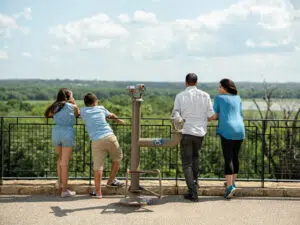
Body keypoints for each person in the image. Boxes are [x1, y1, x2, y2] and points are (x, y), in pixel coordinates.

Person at [172, 73, 214, 202]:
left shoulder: (180, 96)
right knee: (196, 159)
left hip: (186, 131)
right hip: (200, 133)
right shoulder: (205, 95)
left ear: (186, 82)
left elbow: (175, 113)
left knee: (186, 163)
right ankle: (195, 185)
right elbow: (210, 115)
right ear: (196, 82)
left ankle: (193, 191)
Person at [80, 93, 124, 198]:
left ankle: (98, 192)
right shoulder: (101, 108)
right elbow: (111, 115)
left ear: (86, 103)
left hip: (96, 140)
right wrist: (118, 120)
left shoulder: (82, 111)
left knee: (98, 167)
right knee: (117, 158)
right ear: (96, 102)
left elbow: (75, 112)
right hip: (109, 136)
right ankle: (111, 180)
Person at [209, 78, 245, 199]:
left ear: (225, 87)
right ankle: (233, 183)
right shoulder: (238, 98)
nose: (218, 89)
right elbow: (239, 114)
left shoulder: (219, 98)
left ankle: (229, 187)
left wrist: (208, 117)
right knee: (235, 157)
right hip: (240, 130)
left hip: (228, 130)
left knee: (228, 158)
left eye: (219, 86)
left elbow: (213, 115)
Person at [45, 88, 79, 197]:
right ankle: (64, 190)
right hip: (67, 133)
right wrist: (73, 102)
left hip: (56, 133)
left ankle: (60, 183)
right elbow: (77, 114)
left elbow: (49, 114)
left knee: (60, 159)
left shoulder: (55, 106)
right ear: (68, 96)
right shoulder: (72, 106)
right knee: (65, 163)